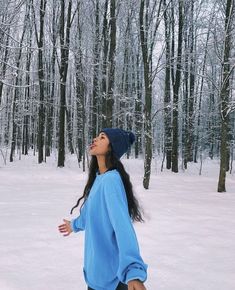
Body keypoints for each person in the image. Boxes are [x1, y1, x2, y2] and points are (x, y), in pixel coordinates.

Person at [58, 128, 148, 290]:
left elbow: (123, 228)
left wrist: (133, 272)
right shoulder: (100, 179)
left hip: (111, 279)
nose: (95, 139)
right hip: (96, 275)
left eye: (102, 137)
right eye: (97, 136)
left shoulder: (111, 181)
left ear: (111, 147)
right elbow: (90, 215)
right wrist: (74, 225)